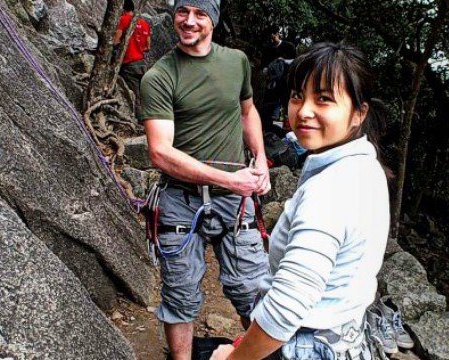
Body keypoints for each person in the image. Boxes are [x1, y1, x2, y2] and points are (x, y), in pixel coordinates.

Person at [209, 42, 390, 360]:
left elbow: (287, 307)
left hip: (305, 346)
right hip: (342, 340)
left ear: (358, 113)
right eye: (297, 96)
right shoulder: (366, 168)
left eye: (323, 99)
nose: (304, 111)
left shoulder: (330, 191)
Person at [139, 1, 271, 359]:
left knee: (252, 289)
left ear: (213, 19)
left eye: (200, 13)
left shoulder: (236, 62)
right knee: (180, 294)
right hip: (181, 200)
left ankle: (258, 356)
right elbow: (160, 152)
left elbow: (247, 111)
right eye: (183, 11)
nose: (190, 21)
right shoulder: (160, 77)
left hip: (236, 199)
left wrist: (260, 159)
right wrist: (230, 180)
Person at [114, 0, 152, 112]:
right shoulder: (144, 23)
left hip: (129, 64)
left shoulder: (123, 20)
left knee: (134, 95)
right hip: (142, 64)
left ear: (122, 9)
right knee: (144, 94)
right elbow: (148, 47)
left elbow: (115, 41)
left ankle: (140, 121)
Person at [259, 33, 296, 138]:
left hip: (285, 85)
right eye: (269, 38)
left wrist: (283, 61)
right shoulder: (267, 50)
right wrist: (269, 69)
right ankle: (268, 133)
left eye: (273, 37)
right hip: (272, 85)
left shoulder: (288, 47)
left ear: (278, 34)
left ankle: (285, 135)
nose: (271, 40)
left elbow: (295, 62)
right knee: (268, 109)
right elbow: (263, 67)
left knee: (285, 109)